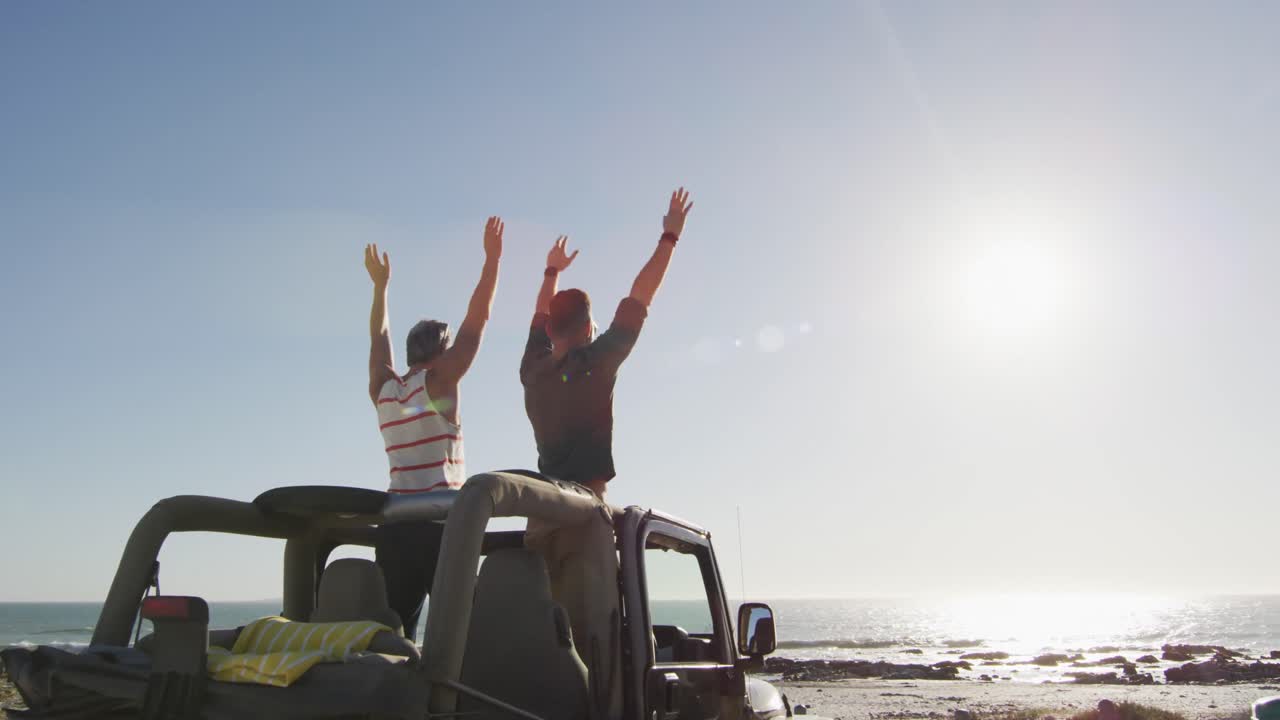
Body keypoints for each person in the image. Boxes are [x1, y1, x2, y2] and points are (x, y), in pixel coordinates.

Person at [519, 189, 693, 718]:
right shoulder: (596, 361)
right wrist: (670, 235)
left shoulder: (532, 370)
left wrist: (550, 271)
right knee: (599, 662)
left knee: (542, 647)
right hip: (584, 519)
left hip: (539, 520)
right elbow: (641, 294)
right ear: (590, 328)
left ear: (550, 331)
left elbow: (537, 318)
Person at [363, 216, 503, 642]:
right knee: (464, 638)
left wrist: (380, 288)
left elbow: (378, 339)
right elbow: (476, 323)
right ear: (442, 355)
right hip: (441, 529)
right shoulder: (441, 382)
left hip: (394, 530)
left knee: (394, 639)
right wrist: (492, 261)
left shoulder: (385, 390)